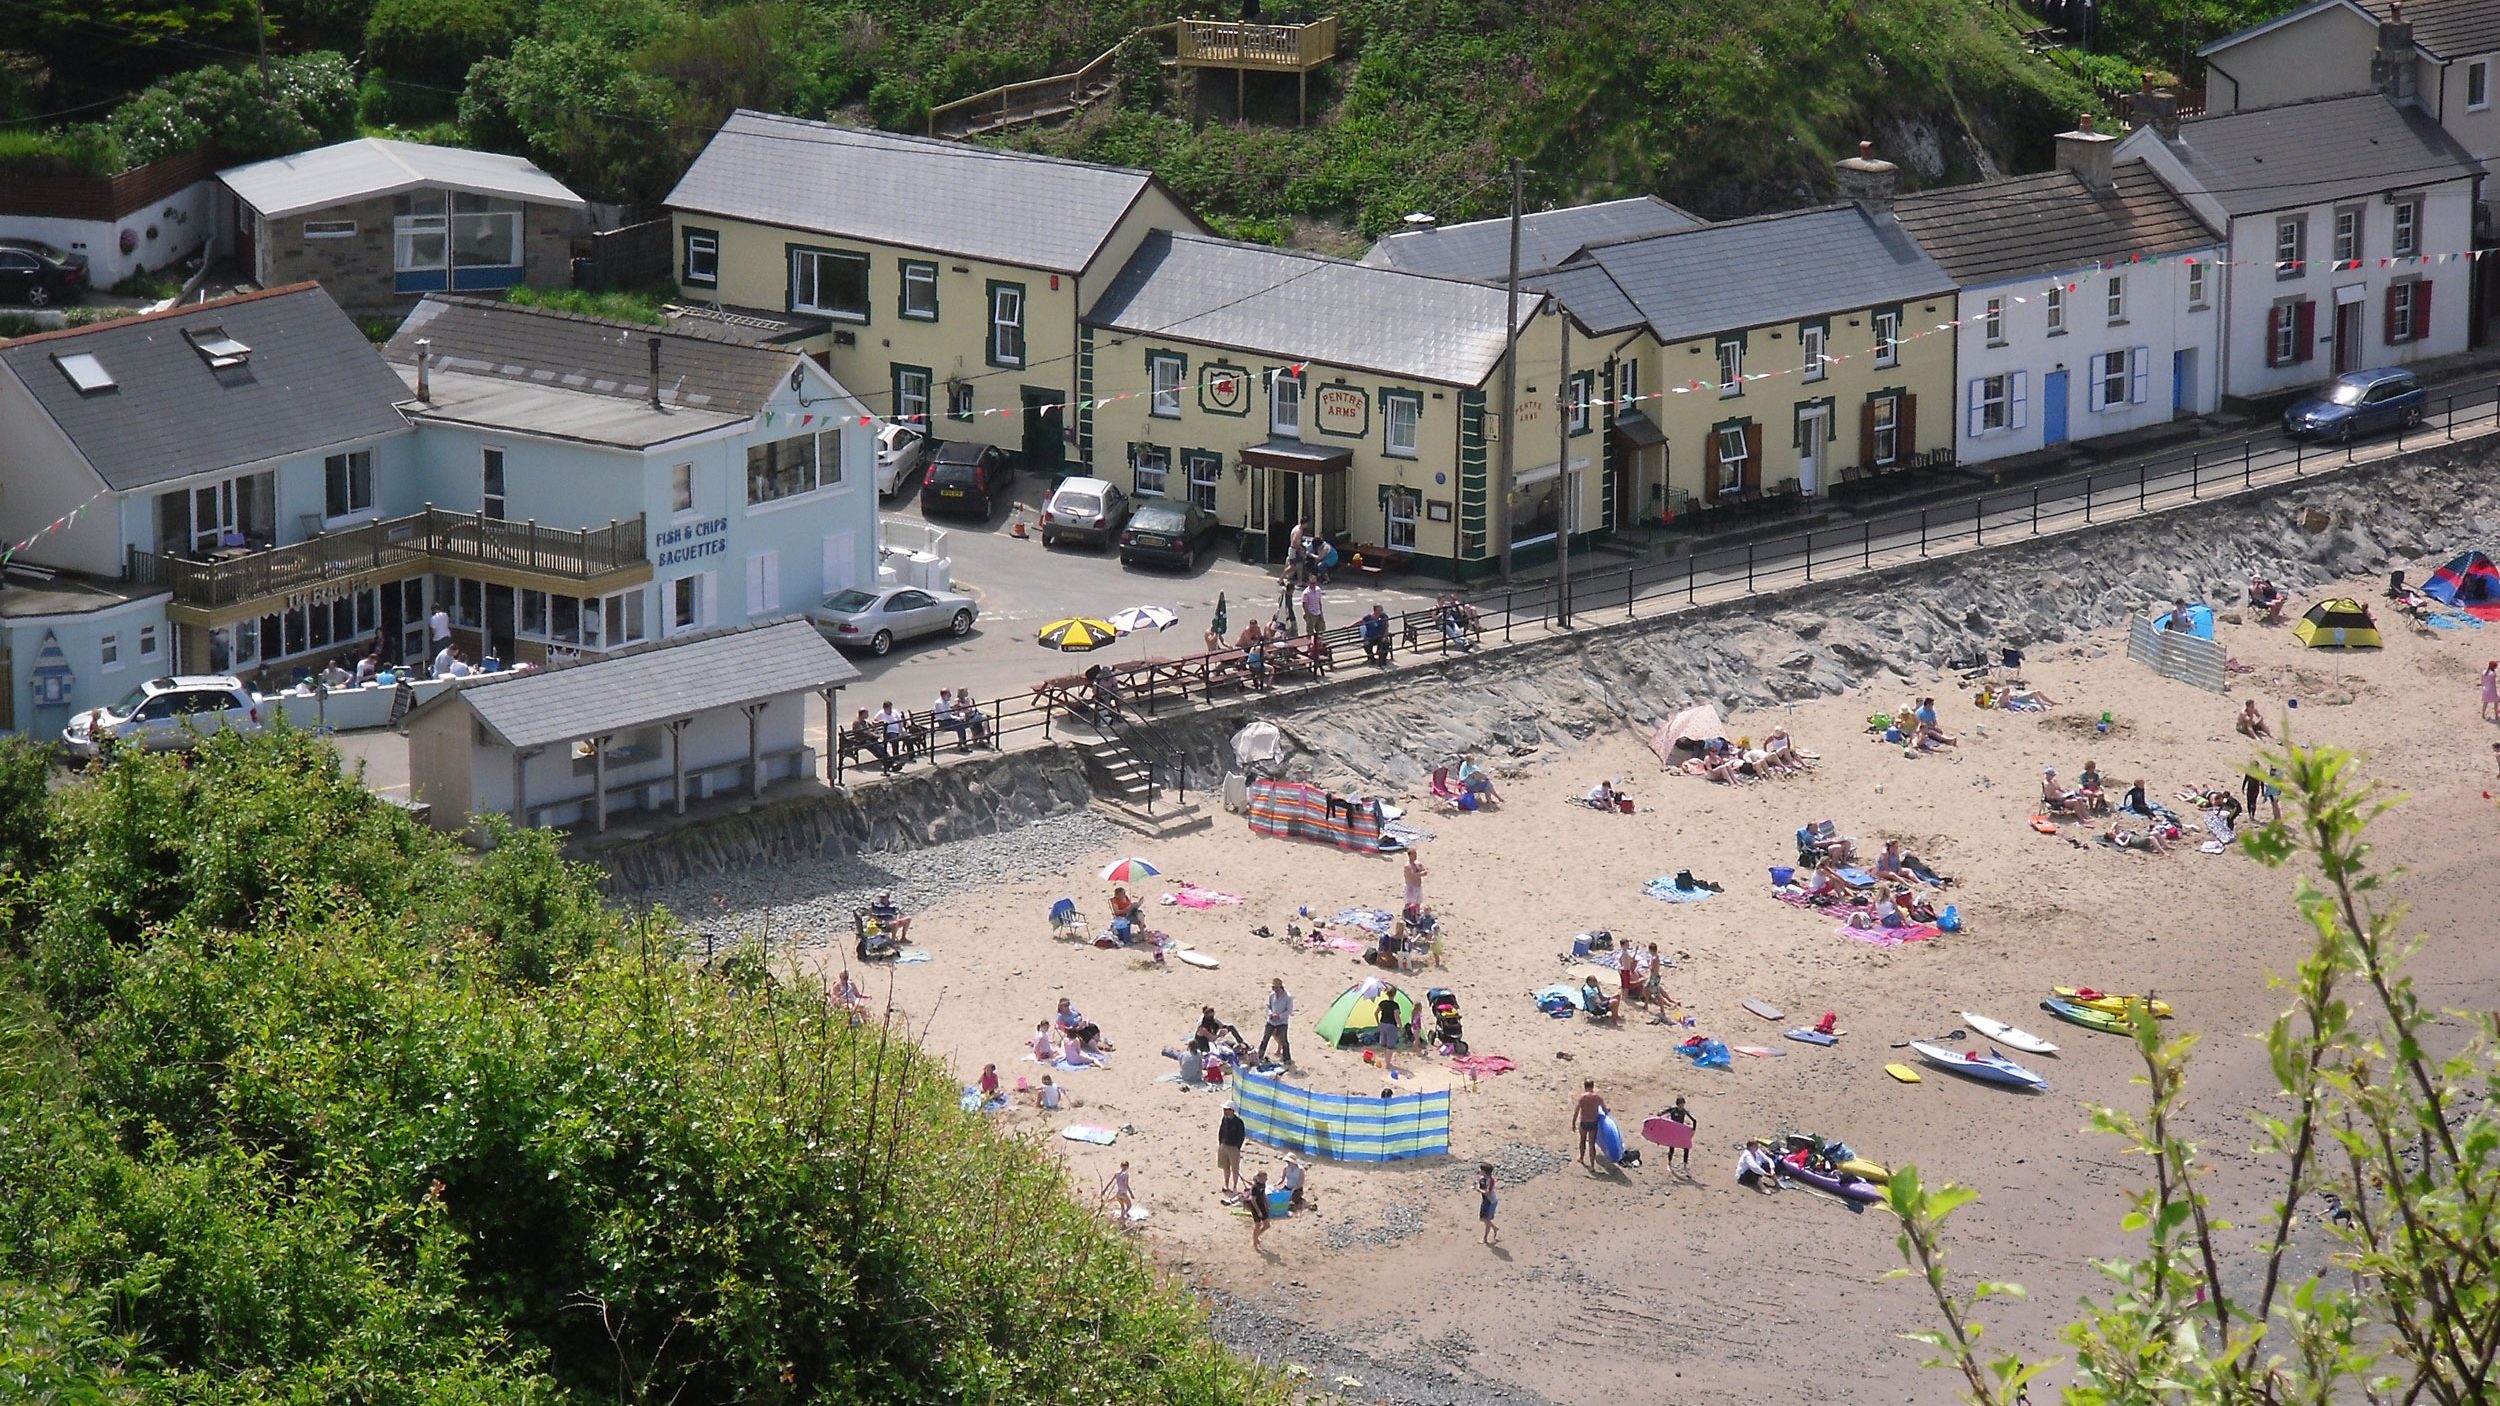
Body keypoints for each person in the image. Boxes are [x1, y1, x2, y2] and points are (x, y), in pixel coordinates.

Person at [1258, 978, 1294, 1065]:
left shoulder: (1288, 997)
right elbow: (1268, 1006)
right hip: (1271, 1021)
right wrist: (1271, 1014)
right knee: (1265, 1038)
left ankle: (1287, 1059)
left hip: (1282, 1022)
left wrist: (1279, 1016)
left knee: (1284, 1040)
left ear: (1280, 987)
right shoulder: (1272, 995)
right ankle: (1259, 1056)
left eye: (1276, 988)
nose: (1274, 990)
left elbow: (1289, 1010)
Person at [1573, 1079, 1606, 1167]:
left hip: (1584, 1122)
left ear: (1585, 1087)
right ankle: (1592, 1166)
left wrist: (1573, 1123)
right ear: (1592, 1086)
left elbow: (1576, 1111)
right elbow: (1604, 1109)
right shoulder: (1597, 1098)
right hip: (1593, 1123)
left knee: (1582, 1141)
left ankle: (1581, 1158)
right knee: (1591, 1144)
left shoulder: (1582, 1097)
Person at [1217, 1101, 1247, 1192]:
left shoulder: (1238, 1122)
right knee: (1225, 1167)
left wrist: (1237, 1147)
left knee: (1235, 1169)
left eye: (1226, 1109)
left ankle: (1234, 1186)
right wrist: (1221, 1143)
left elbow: (1241, 1136)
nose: (1224, 1111)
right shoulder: (1224, 1119)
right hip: (1224, 1146)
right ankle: (1226, 1185)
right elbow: (1221, 1131)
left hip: (1234, 1147)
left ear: (1231, 1110)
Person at [872, 699, 910, 773]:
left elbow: (899, 722)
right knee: (894, 741)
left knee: (908, 738)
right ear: (885, 709)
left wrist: (901, 731)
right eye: (889, 708)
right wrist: (880, 722)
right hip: (890, 731)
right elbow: (874, 721)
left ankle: (911, 755)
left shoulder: (894, 712)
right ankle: (896, 758)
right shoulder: (881, 713)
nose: (890, 710)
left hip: (898, 730)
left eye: (891, 708)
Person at [1661, 1096, 1697, 1171]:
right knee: (1672, 1148)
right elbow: (1661, 1113)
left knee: (1686, 1147)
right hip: (1673, 1130)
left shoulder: (1684, 1111)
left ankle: (1685, 1165)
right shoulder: (1673, 1110)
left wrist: (1693, 1131)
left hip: (1680, 1130)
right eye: (1681, 1105)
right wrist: (1661, 1116)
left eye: (1683, 1105)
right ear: (1677, 1105)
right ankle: (1669, 1164)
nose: (1682, 1107)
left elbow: (1694, 1120)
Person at [1373, 990, 1402, 1074]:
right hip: (1391, 1025)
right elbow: (1396, 1017)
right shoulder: (1395, 1005)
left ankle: (1386, 1060)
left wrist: (1378, 1022)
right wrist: (1400, 1026)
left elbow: (1375, 1012)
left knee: (1384, 1044)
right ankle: (1388, 1064)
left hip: (1383, 1024)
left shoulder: (1382, 1003)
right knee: (1390, 1046)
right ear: (1394, 994)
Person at [1246, 1170, 1272, 1251]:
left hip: (1262, 1205)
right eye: (1265, 1178)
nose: (1266, 1180)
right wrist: (1258, 1211)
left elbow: (1263, 1194)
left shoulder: (1263, 1184)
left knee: (1267, 1225)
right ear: (1259, 1178)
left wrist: (1267, 1202)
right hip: (1255, 1207)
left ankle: (1256, 1236)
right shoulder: (1255, 1187)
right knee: (1257, 1225)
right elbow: (1253, 1200)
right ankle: (1254, 1241)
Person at [1477, 1162, 1500, 1244]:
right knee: (1483, 1218)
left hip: (1490, 1202)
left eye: (1481, 1169)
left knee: (1487, 1220)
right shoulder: (1483, 1178)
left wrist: (1477, 1189)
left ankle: (1485, 1238)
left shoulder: (1490, 1181)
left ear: (1484, 1171)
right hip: (1485, 1201)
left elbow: (1487, 1192)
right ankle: (1494, 1228)